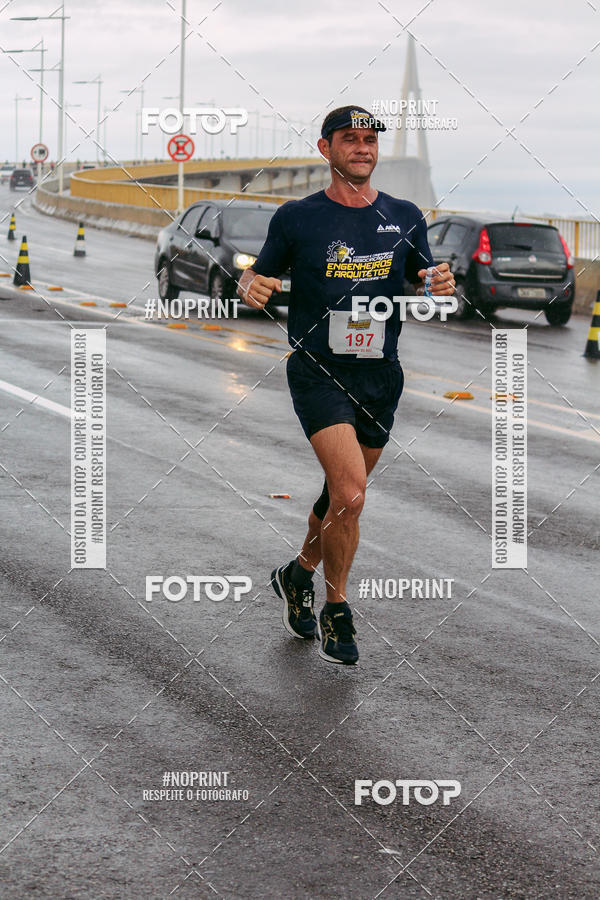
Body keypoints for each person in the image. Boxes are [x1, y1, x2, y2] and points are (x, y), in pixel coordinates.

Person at [237, 105, 455, 665]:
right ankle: (337, 610)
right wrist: (249, 284)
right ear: (325, 149)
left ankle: (296, 573)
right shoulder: (296, 217)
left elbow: (427, 282)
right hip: (319, 370)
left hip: (381, 374)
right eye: (350, 140)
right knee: (353, 493)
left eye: (370, 140)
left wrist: (439, 283)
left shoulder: (405, 215)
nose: (363, 148)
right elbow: (259, 273)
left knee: (342, 499)